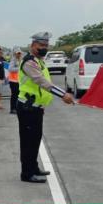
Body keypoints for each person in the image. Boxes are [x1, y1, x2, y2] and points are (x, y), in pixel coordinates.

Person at [17, 32, 74, 183]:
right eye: (41, 45)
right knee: (28, 142)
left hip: (36, 107)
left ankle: (34, 167)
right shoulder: (29, 62)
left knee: (35, 139)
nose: (44, 48)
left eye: (46, 45)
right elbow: (42, 82)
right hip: (27, 108)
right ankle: (27, 173)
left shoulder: (39, 61)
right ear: (32, 45)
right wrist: (63, 95)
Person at [8, 47, 22, 114]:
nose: (19, 54)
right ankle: (12, 109)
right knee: (14, 95)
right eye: (17, 53)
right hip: (13, 81)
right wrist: (19, 69)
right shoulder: (13, 60)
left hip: (18, 81)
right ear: (15, 53)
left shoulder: (19, 60)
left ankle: (16, 108)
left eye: (19, 53)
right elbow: (10, 69)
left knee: (18, 95)